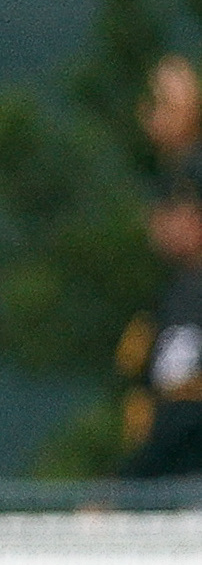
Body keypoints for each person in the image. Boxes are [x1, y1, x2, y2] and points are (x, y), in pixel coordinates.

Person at [118, 58, 202, 479]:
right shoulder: (177, 290)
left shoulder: (193, 296)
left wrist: (125, 491)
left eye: (174, 206)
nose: (158, 219)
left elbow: (184, 413)